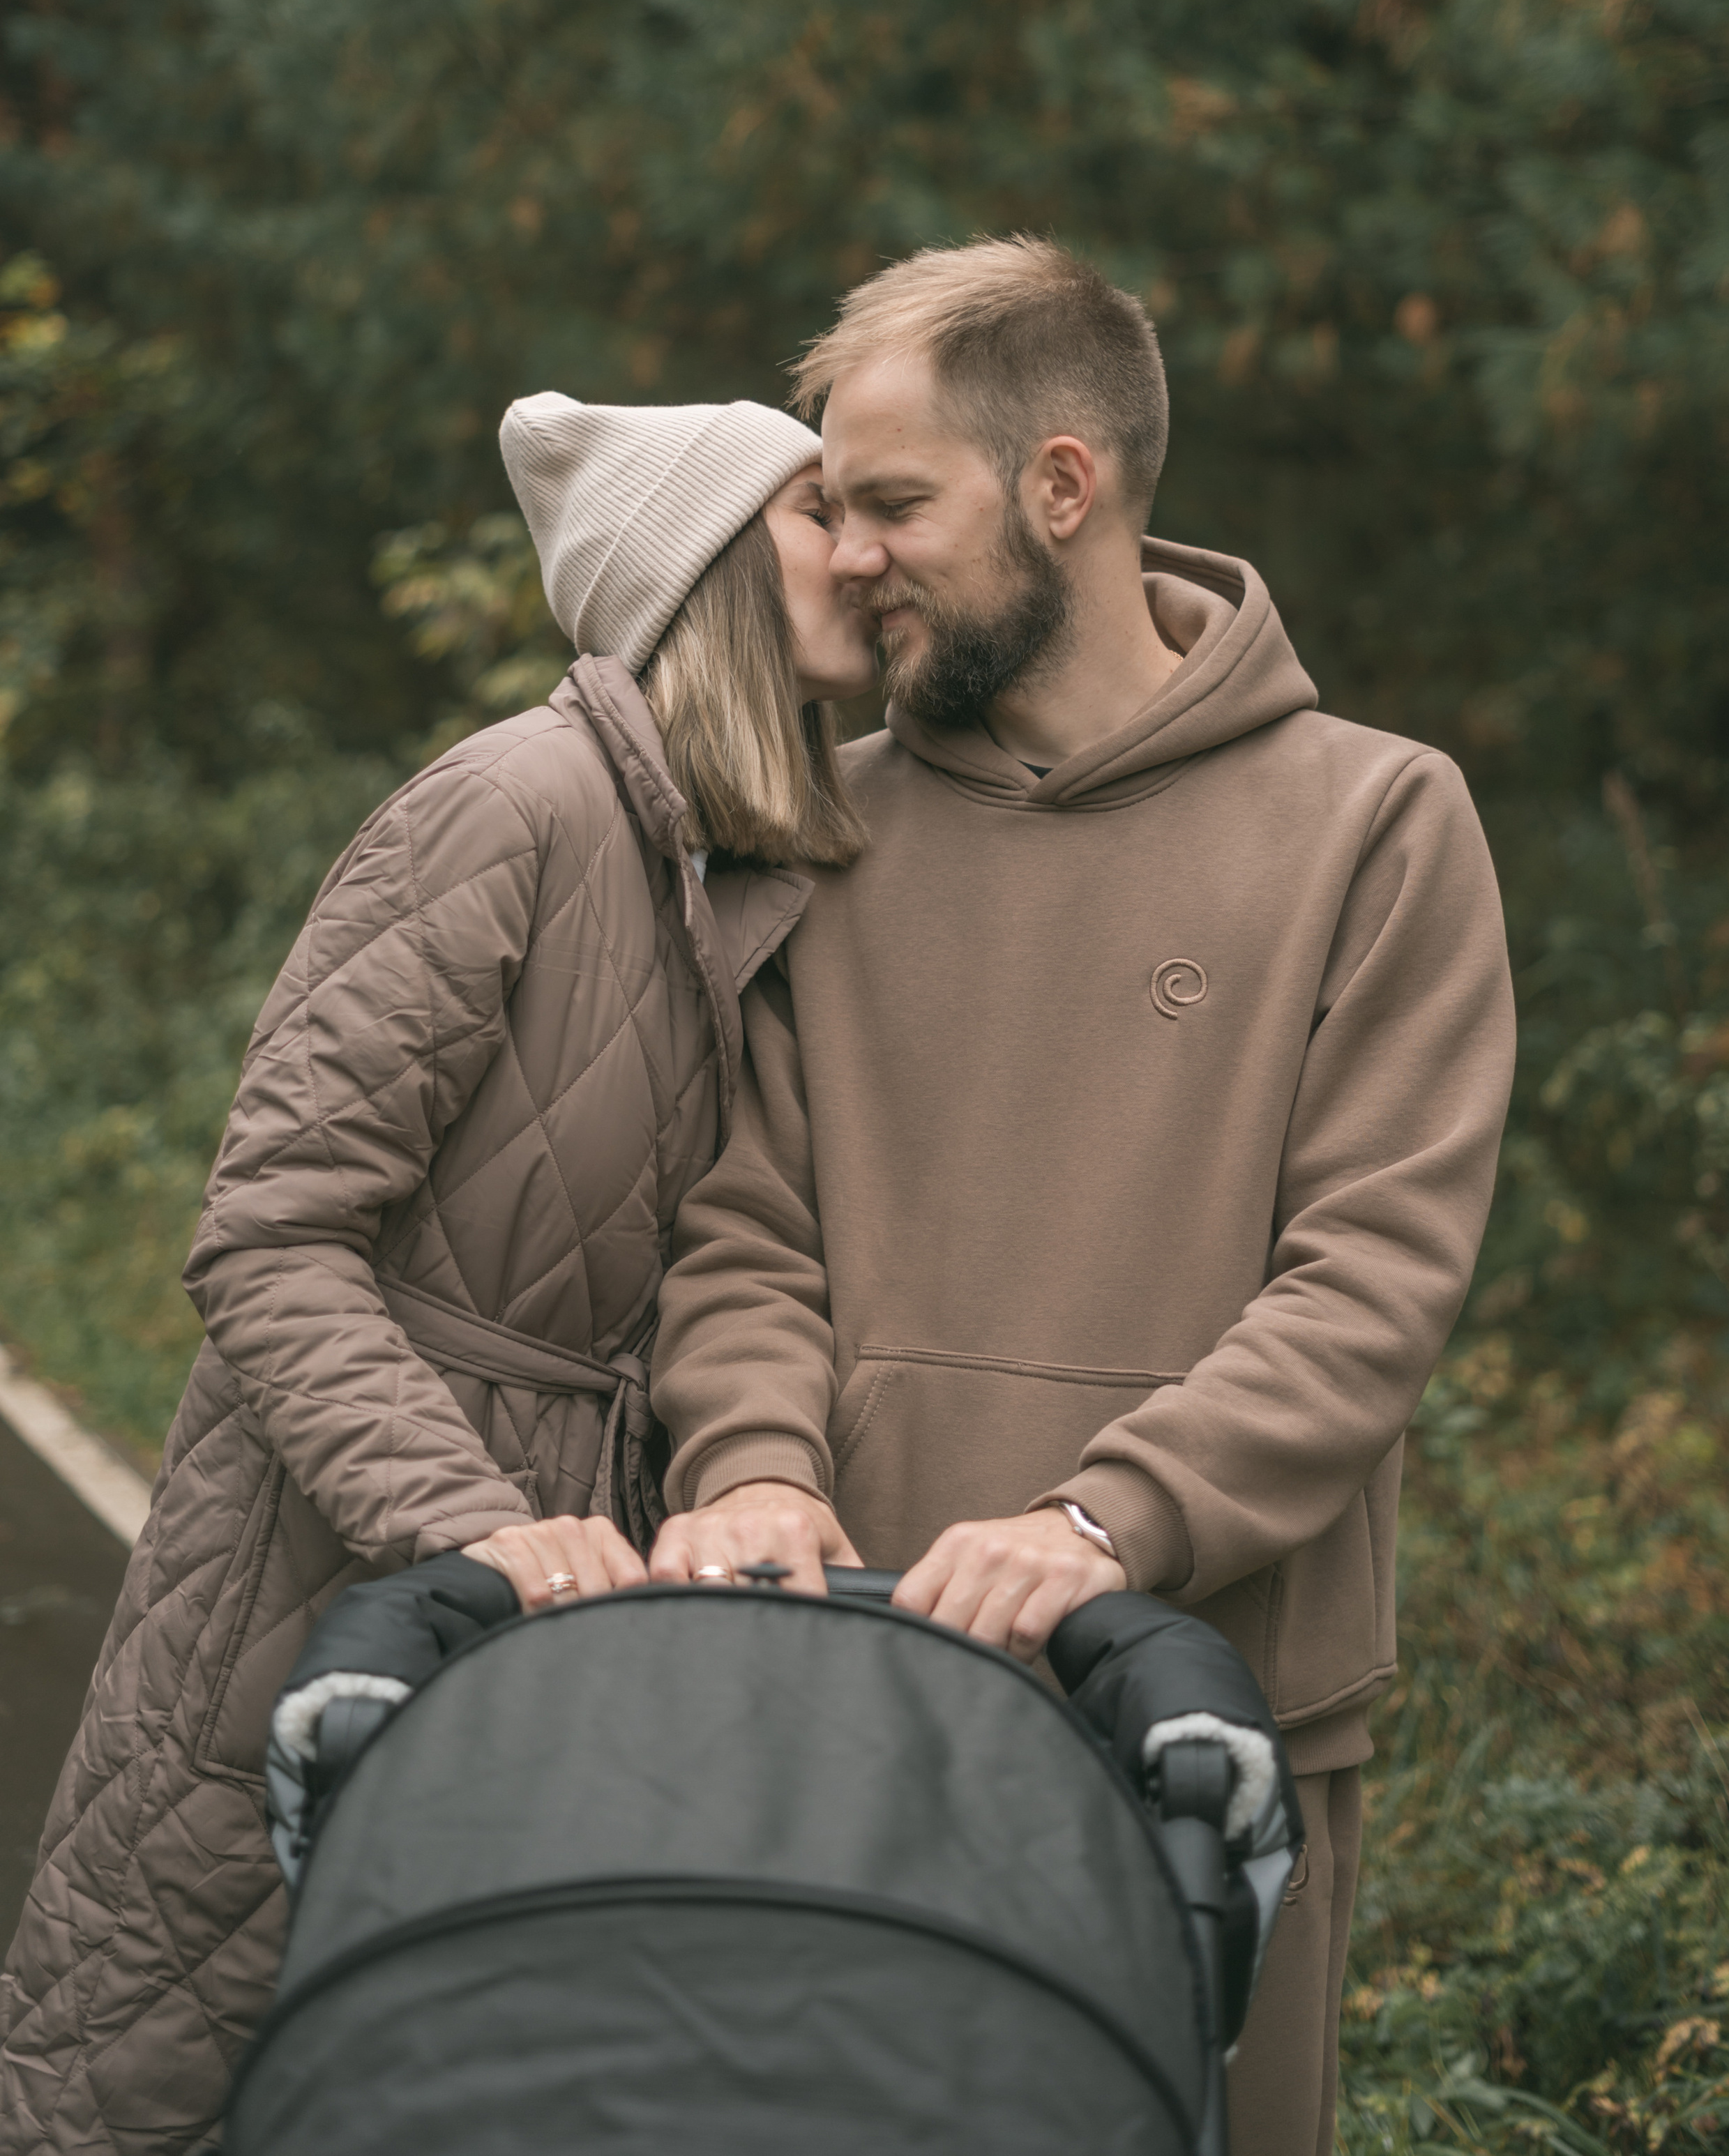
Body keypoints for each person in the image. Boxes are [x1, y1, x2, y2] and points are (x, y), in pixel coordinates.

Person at [645, 237, 1517, 2156]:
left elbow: (1370, 1280)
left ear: (1063, 484)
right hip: (843, 1680)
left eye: (889, 503)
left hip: (1210, 1715)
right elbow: (739, 1228)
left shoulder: (1377, 821)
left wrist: (1102, 1520)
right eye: (831, 506)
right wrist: (758, 1466)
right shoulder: (816, 827)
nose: (844, 555)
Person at [1, 393, 877, 2156]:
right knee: (165, 2069)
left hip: (555, 1589)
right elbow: (269, 1229)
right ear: (705, 565)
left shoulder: (726, 864)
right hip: (315, 1576)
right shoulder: (511, 806)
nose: (862, 552)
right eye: (817, 515)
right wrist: (466, 1519)